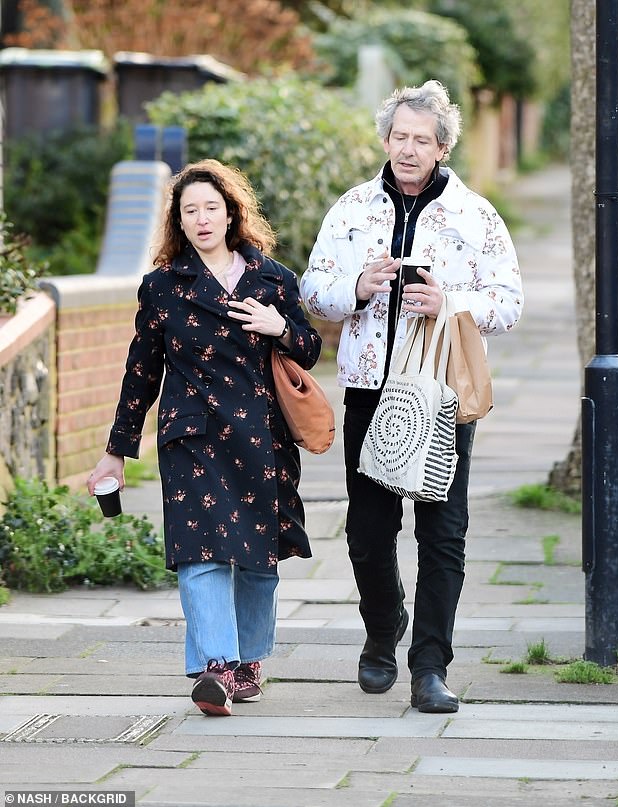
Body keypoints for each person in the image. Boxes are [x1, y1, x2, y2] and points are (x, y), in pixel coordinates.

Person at [300, 80, 523, 713]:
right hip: (370, 389)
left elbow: (509, 302)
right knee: (368, 532)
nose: (408, 149)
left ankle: (430, 666)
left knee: (442, 532)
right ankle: (381, 630)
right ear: (386, 139)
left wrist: (452, 302)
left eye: (421, 140)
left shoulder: (476, 216)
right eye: (399, 137)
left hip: (441, 390)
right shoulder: (351, 209)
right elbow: (312, 292)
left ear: (442, 146)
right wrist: (356, 288)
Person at [87, 158, 322, 716]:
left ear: (231, 212)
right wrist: (116, 453)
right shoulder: (163, 287)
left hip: (262, 438)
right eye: (189, 210)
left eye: (210, 207)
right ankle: (217, 666)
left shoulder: (273, 279)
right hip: (191, 437)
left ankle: (247, 662)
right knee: (201, 554)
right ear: (178, 221)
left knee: (259, 559)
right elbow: (141, 372)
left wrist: (279, 328)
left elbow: (310, 349)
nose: (201, 218)